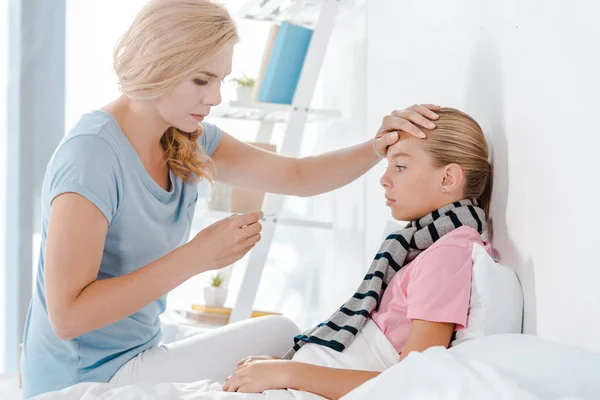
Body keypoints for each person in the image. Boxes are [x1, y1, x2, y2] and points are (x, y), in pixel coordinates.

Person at [19, 0, 439, 397]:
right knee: (281, 335)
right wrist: (197, 256)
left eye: (219, 79)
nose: (215, 97)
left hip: (140, 350)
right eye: (201, 80)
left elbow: (298, 174)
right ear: (159, 65)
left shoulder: (184, 138)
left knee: (280, 337)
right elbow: (67, 317)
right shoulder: (91, 156)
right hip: (81, 379)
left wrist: (376, 146)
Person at [222, 107, 493, 399]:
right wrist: (283, 367)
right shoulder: (421, 247)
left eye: (400, 167)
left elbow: (412, 383)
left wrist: (289, 373)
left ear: (448, 178)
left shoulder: (449, 253)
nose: (384, 179)